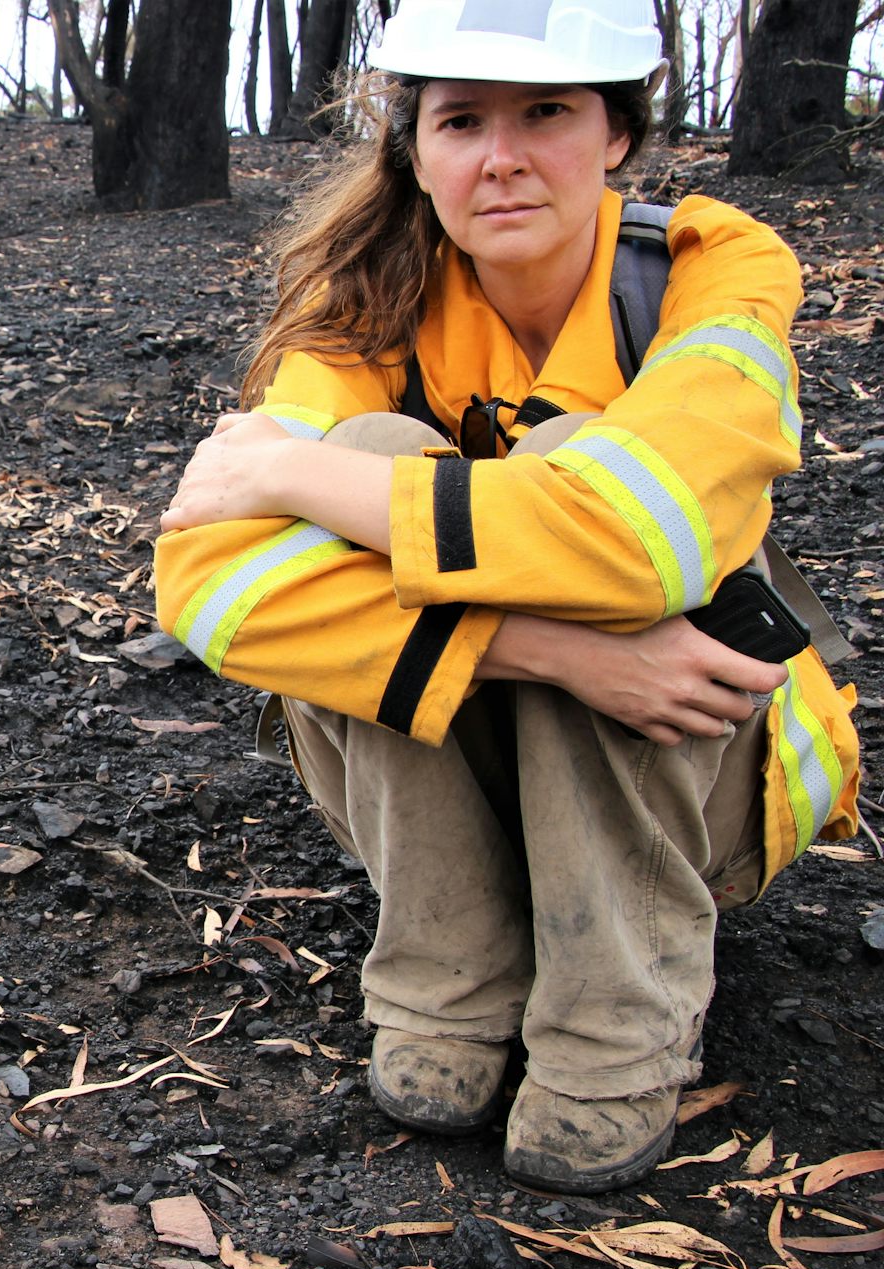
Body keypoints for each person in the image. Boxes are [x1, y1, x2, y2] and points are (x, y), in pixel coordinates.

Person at [153, 0, 860, 1195]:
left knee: (559, 458)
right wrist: (555, 651)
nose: (503, 157)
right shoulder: (369, 308)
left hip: (700, 779)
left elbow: (641, 542)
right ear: (415, 150)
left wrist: (285, 468)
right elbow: (209, 585)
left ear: (620, 134)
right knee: (376, 444)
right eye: (462, 121)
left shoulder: (714, 272)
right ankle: (452, 980)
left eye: (547, 114)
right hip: (481, 776)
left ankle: (615, 1030)